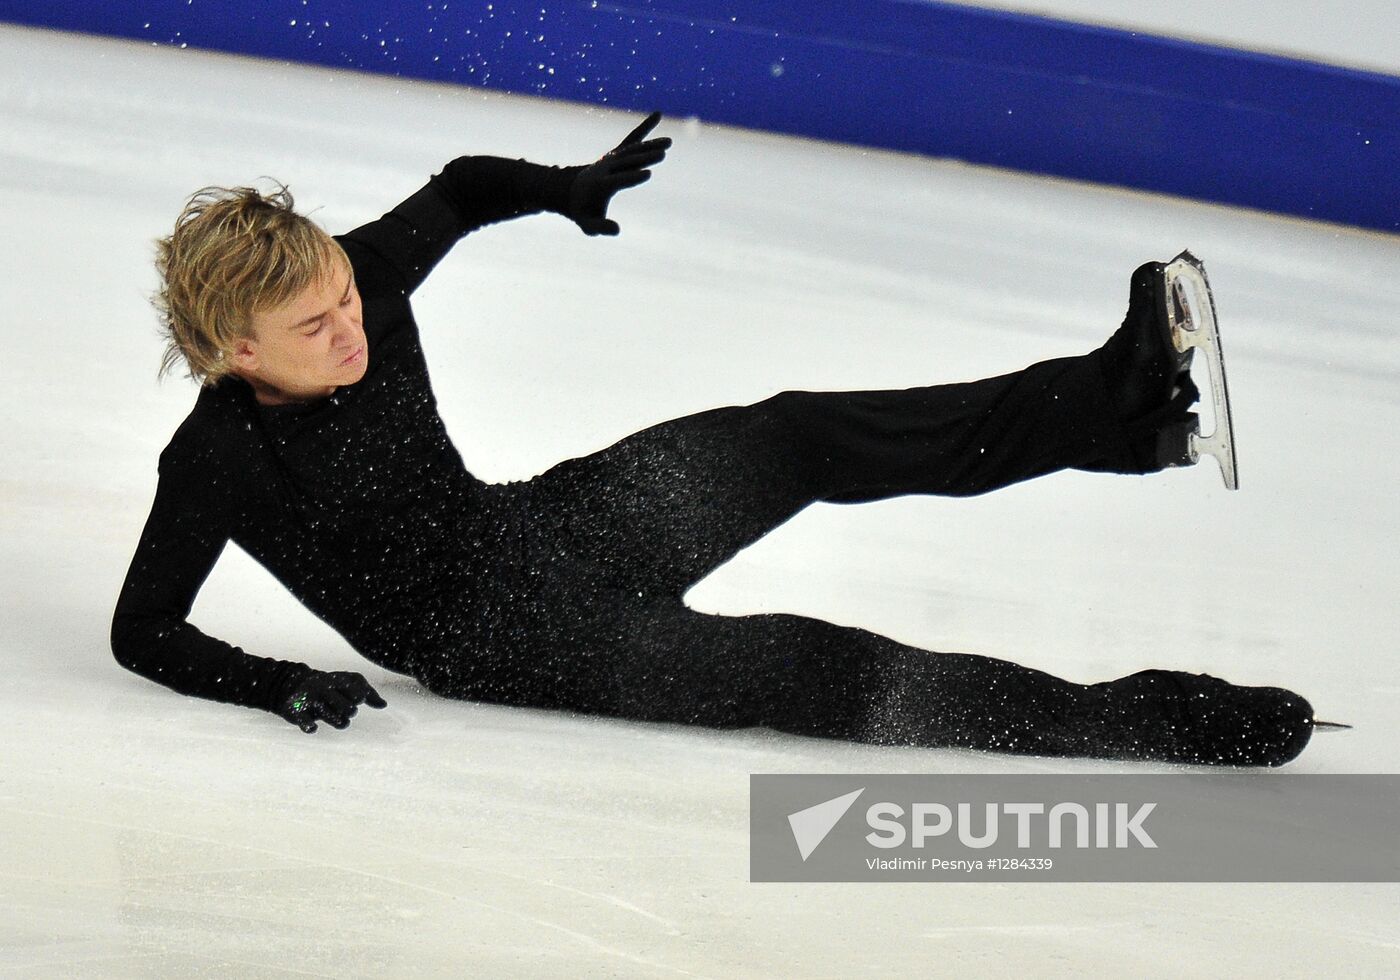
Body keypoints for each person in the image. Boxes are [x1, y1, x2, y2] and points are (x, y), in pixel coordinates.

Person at [112, 112, 1317, 767]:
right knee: (806, 666)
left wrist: (563, 187)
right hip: (502, 640)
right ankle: (1146, 720)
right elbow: (143, 629)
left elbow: (460, 185)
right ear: (237, 354)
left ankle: (1115, 406)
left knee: (790, 435)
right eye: (312, 323)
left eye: (342, 291)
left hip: (538, 524)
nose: (351, 323)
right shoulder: (216, 461)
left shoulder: (360, 280)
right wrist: (275, 681)